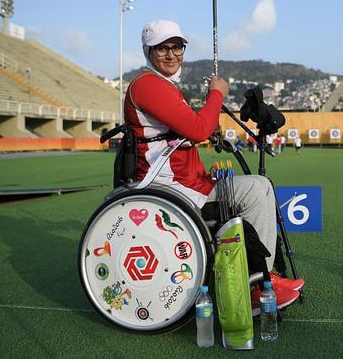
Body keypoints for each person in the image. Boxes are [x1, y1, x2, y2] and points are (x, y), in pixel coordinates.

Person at [125, 20, 303, 312]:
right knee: (257, 189)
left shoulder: (161, 85)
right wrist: (216, 93)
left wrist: (207, 126)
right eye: (162, 48)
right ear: (148, 51)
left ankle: (261, 276)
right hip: (174, 189)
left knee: (259, 186)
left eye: (177, 47)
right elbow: (197, 129)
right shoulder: (149, 85)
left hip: (186, 183)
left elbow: (189, 129)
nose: (171, 54)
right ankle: (259, 287)